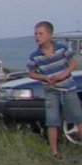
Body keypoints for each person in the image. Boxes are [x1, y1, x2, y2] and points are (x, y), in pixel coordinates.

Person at [27, 21, 77, 158]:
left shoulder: (62, 48)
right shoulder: (35, 56)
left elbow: (73, 64)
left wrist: (64, 74)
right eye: (36, 34)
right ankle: (54, 152)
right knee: (52, 121)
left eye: (41, 34)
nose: (37, 37)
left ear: (50, 35)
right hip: (51, 89)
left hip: (68, 87)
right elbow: (31, 73)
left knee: (78, 117)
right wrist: (44, 77)